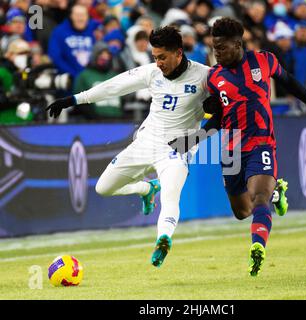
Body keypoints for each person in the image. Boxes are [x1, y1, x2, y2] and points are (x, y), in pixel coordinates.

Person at [169, 17, 306, 277]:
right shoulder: (214, 78)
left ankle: (257, 247)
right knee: (241, 211)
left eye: (222, 48)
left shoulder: (264, 60)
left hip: (261, 143)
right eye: (214, 49)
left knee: (259, 197)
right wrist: (193, 139)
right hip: (232, 151)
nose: (217, 54)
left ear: (238, 44)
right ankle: (277, 192)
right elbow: (219, 117)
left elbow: (290, 82)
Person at [45, 26, 212, 268]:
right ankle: (146, 189)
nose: (158, 63)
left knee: (171, 196)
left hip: (177, 149)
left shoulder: (205, 76)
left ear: (178, 53)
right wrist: (73, 100)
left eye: (162, 57)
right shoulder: (152, 72)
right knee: (104, 187)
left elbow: (232, 98)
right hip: (146, 142)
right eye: (155, 57)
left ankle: (163, 239)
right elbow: (113, 86)